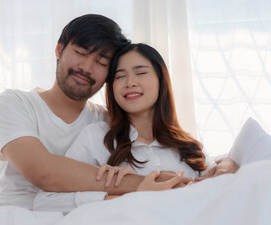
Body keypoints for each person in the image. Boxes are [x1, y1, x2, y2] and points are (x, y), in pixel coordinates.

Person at [0, 15, 188, 210]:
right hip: (17, 214)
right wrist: (143, 185)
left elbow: (163, 145)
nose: (86, 68)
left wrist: (216, 166)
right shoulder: (14, 104)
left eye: (101, 63)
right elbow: (44, 173)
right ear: (59, 49)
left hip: (82, 216)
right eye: (81, 53)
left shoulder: (108, 122)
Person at [33, 43, 239, 213]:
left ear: (161, 80)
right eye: (120, 76)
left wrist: (228, 164)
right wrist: (127, 195)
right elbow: (45, 202)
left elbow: (220, 179)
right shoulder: (96, 138)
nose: (130, 83)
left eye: (140, 73)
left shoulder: (187, 144)